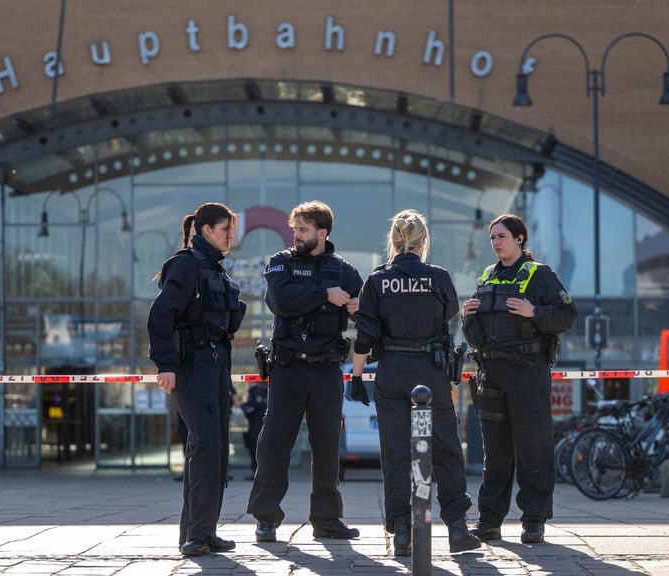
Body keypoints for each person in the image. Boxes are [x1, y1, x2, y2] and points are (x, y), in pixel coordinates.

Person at [348, 209, 481, 557]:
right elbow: (450, 313)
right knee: (446, 450)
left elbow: (364, 336)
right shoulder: (438, 278)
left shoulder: (377, 281)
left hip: (390, 370)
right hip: (430, 370)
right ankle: (456, 528)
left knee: (395, 453)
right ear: (424, 242)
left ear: (393, 241)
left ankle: (402, 530)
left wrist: (357, 377)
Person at [247, 200, 363, 542]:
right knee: (275, 444)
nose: (295, 235)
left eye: (303, 230)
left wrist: (357, 307)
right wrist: (326, 294)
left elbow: (365, 313)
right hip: (287, 367)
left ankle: (327, 520)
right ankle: (266, 518)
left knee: (327, 446)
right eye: (294, 229)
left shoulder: (344, 270)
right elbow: (281, 301)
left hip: (327, 369)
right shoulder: (279, 263)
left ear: (322, 233)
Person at [461, 213, 577, 544]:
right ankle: (489, 521)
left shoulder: (540, 276)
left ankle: (534, 519)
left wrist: (535, 313)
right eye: (492, 237)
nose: (496, 242)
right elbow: (475, 335)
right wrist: (469, 318)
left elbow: (568, 316)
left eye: (501, 236)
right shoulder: (486, 277)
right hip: (491, 374)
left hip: (528, 372)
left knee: (533, 448)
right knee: (495, 453)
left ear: (519, 239)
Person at [148, 202, 247, 557]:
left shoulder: (216, 269)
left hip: (216, 366)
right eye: (225, 230)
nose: (230, 236)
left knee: (215, 449)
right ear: (206, 230)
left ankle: (201, 531)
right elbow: (160, 315)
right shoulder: (187, 264)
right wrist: (165, 364)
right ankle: (197, 534)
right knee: (206, 446)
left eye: (231, 230)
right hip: (192, 365)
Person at [240, 380, 268, 480]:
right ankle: (255, 472)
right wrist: (251, 412)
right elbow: (245, 406)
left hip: (269, 426)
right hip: (255, 425)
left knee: (269, 450)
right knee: (254, 448)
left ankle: (268, 474)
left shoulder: (273, 391)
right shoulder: (253, 392)